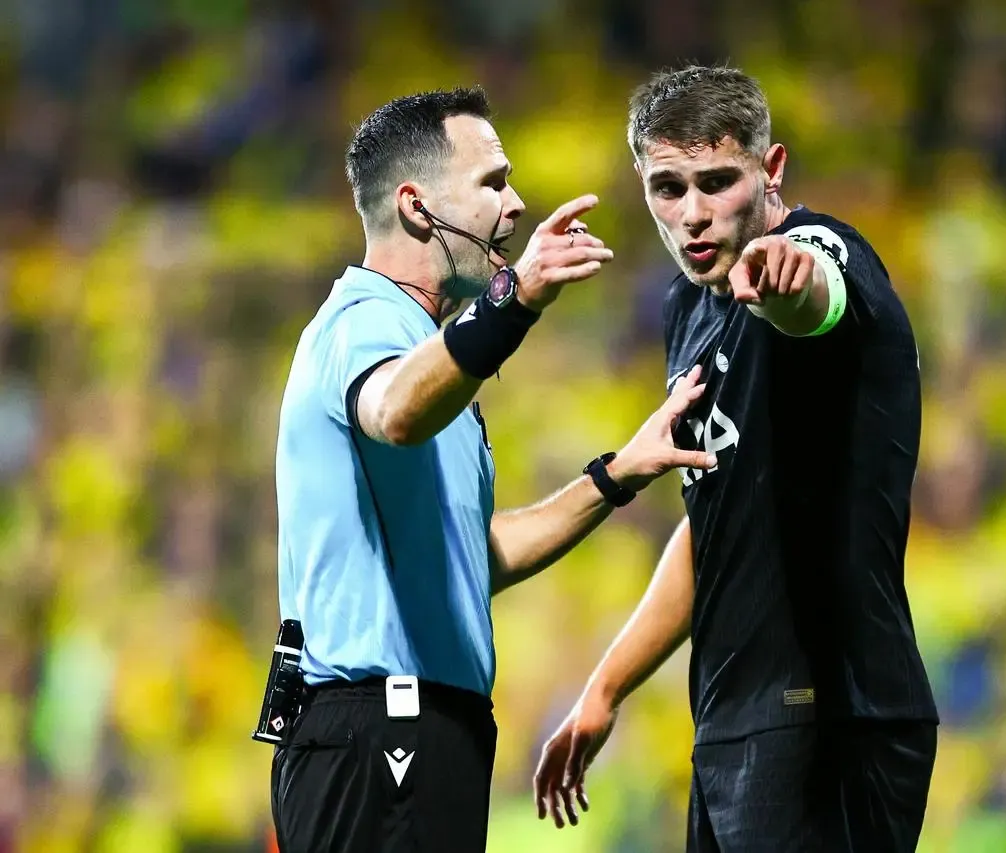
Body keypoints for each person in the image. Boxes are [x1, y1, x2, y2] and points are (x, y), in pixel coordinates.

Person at [269, 86, 715, 853]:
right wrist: (515, 299)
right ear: (416, 206)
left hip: (415, 727)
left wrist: (616, 473)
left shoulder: (426, 346)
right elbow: (394, 410)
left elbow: (470, 556)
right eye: (491, 182)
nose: (514, 207)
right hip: (381, 726)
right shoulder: (367, 320)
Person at [533, 66, 939, 851]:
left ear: (771, 168)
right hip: (734, 717)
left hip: (830, 710)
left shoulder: (817, 247)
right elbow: (709, 519)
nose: (692, 215)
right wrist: (606, 686)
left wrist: (787, 279)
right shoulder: (689, 305)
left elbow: (817, 291)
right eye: (667, 188)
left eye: (717, 182)